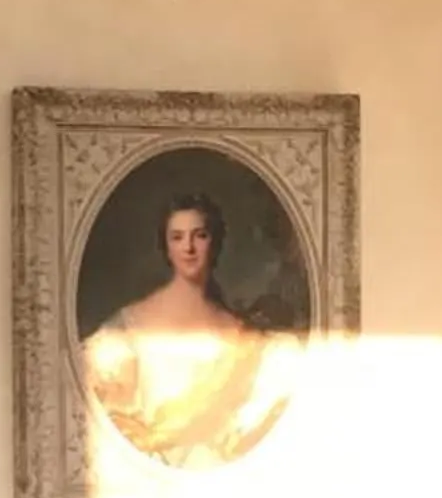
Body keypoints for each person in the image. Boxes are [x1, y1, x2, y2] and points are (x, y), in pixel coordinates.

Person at [82, 190, 294, 468]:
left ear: (214, 242)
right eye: (177, 237)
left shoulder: (243, 337)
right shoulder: (129, 327)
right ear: (166, 247)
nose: (189, 248)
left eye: (199, 236)